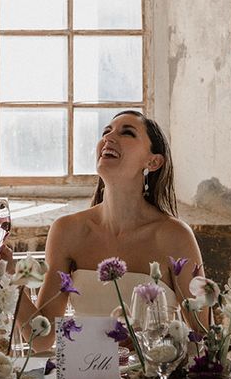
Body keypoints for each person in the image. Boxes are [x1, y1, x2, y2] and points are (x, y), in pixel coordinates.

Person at [32, 109, 205, 351]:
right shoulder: (67, 231)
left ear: (153, 161)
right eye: (106, 132)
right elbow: (41, 339)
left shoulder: (175, 236)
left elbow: (203, 335)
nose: (108, 138)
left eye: (127, 133)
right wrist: (7, 281)